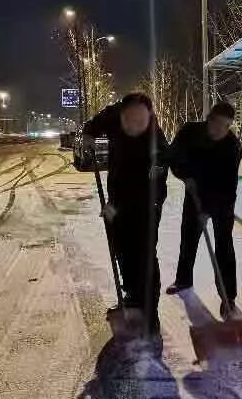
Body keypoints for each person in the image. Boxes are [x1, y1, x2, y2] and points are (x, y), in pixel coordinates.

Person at [82, 92, 169, 334]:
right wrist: (88, 135)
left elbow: (153, 182)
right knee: (122, 251)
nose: (133, 124)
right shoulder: (113, 117)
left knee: (145, 257)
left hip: (147, 204)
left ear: (149, 116)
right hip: (118, 198)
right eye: (129, 118)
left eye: (140, 119)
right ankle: (132, 296)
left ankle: (150, 313)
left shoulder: (156, 143)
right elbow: (95, 123)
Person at [165, 102, 242, 316]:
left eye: (226, 126)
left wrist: (210, 208)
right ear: (209, 119)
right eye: (217, 123)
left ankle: (228, 296)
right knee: (188, 239)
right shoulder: (189, 132)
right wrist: (185, 175)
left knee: (224, 246)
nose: (220, 130)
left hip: (222, 200)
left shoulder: (232, 146)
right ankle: (183, 279)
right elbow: (173, 157)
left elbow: (229, 184)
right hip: (195, 194)